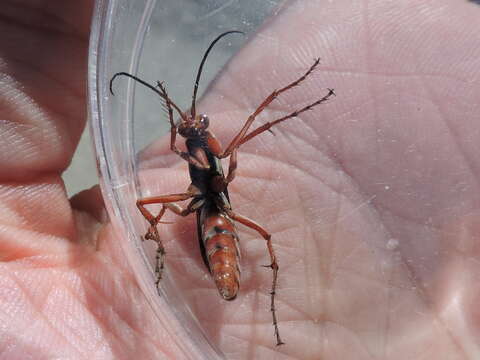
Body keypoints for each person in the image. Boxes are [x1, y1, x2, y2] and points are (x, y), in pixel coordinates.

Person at [1, 0, 480, 358]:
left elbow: (213, 155)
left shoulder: (202, 156)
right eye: (192, 128)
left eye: (195, 126)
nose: (197, 128)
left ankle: (260, 299)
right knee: (225, 174)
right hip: (212, 215)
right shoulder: (199, 156)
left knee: (240, 187)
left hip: (214, 213)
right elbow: (207, 157)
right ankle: (240, 289)